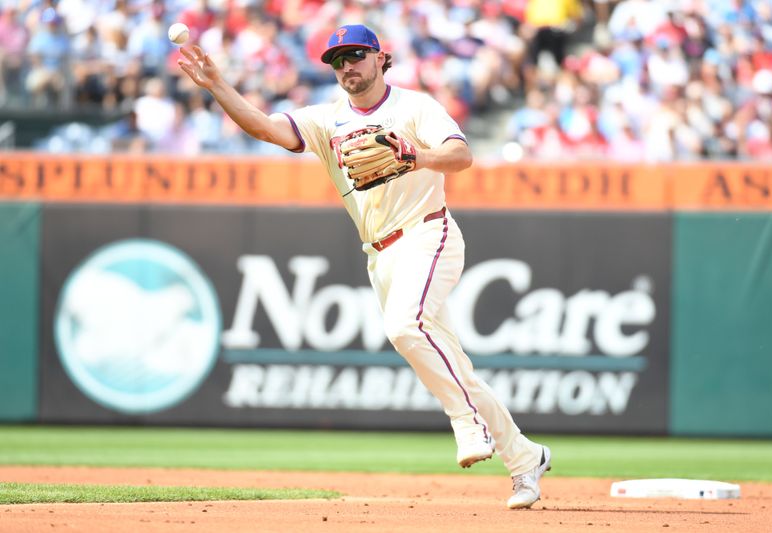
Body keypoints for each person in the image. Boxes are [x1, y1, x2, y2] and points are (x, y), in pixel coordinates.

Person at [177, 23, 552, 510]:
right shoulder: (324, 119)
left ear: (380, 58)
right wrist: (218, 86)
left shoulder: (414, 106)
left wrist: (416, 155)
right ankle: (526, 459)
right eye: (337, 60)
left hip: (426, 231)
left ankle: (466, 423)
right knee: (455, 367)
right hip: (379, 253)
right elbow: (266, 128)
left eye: (355, 55)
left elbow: (461, 156)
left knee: (402, 327)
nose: (346, 66)